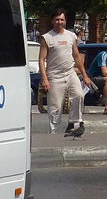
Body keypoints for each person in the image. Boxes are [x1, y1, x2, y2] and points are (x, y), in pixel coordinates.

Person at [38, 8, 94, 136]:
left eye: (62, 19)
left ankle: (73, 122)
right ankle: (54, 133)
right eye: (57, 19)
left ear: (65, 21)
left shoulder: (71, 36)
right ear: (52, 21)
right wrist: (45, 79)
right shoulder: (46, 38)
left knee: (79, 95)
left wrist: (85, 76)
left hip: (70, 72)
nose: (59, 22)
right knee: (55, 107)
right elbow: (41, 60)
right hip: (54, 75)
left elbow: (77, 56)